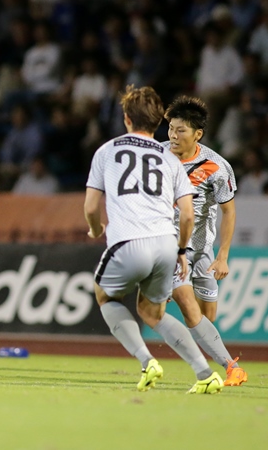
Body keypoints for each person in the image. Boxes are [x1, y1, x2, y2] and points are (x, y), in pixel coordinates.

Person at [84, 85, 224, 394]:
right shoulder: (170, 159)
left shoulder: (107, 151)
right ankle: (204, 372)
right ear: (160, 121)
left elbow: (91, 207)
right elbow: (187, 215)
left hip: (128, 242)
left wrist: (95, 229)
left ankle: (147, 361)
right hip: (166, 246)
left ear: (126, 118)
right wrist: (181, 251)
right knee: (152, 313)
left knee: (105, 296)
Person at [163, 95, 247, 386]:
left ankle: (211, 361)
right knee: (182, 308)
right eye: (170, 128)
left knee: (205, 316)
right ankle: (227, 367)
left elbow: (229, 211)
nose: (173, 135)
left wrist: (222, 256)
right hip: (168, 250)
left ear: (197, 134)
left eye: (180, 130)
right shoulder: (157, 158)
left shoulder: (216, 166)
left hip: (201, 252)